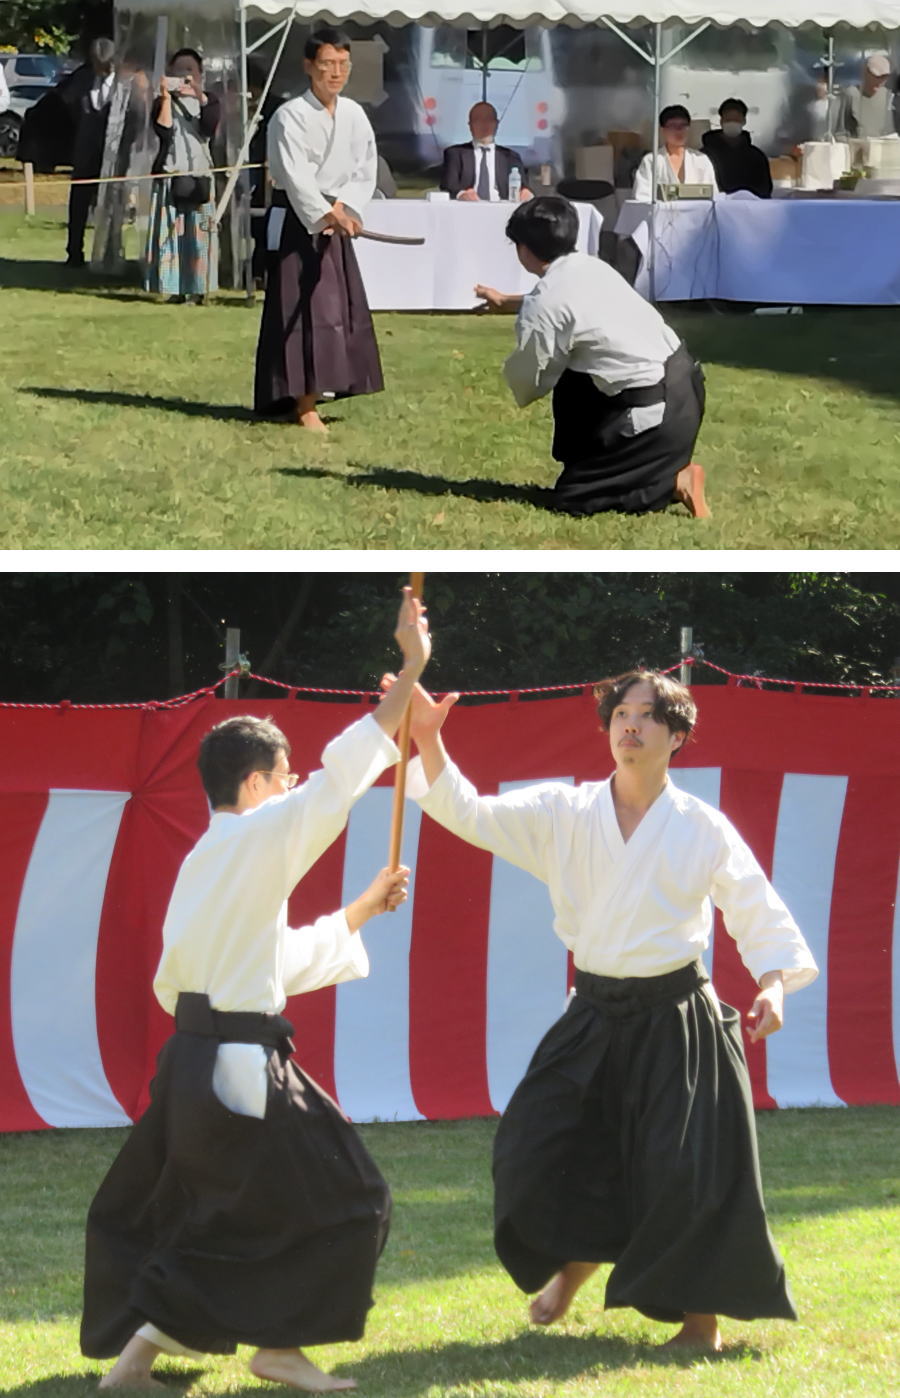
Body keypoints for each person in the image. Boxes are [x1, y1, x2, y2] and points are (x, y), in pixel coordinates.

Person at [402, 667, 818, 1352]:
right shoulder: (563, 812)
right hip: (595, 1012)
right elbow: (470, 813)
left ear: (676, 735)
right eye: (621, 713)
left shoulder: (701, 827)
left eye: (648, 715)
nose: (630, 725)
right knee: (538, 1148)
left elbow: (755, 906)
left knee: (683, 1169)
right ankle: (572, 1272)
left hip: (678, 1015)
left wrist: (773, 983)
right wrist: (428, 739)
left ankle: (701, 1326)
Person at [80, 588, 432, 1392]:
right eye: (284, 776)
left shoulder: (208, 861)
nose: (293, 784)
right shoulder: (256, 835)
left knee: (231, 1214)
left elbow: (270, 964)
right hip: (236, 1064)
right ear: (253, 782)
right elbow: (339, 779)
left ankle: (141, 1361)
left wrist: (360, 910)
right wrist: (411, 670)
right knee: (352, 1197)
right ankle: (275, 1348)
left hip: (196, 1064)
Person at [474, 196, 709, 518]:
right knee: (577, 370)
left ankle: (672, 482)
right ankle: (655, 469)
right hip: (686, 395)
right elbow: (565, 304)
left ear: (523, 249)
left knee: (576, 498)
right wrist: (506, 301)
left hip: (655, 418)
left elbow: (529, 383)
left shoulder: (546, 303)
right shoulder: (593, 267)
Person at [254, 28, 382, 433]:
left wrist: (347, 207)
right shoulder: (289, 115)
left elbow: (366, 167)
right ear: (309, 66)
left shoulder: (354, 114)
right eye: (327, 64)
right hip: (301, 220)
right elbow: (295, 177)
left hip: (336, 217)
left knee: (336, 310)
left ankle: (326, 387)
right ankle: (302, 401)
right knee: (302, 311)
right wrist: (325, 213)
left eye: (343, 64)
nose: (336, 72)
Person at [144, 48, 220, 303]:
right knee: (170, 237)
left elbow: (209, 127)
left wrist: (198, 93)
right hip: (170, 174)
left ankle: (199, 288)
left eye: (190, 70)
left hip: (200, 176)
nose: (185, 76)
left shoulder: (209, 102)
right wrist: (166, 96)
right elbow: (163, 130)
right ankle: (172, 287)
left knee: (199, 237)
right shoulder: (161, 102)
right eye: (179, 71)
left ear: (200, 74)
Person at [61, 37, 116, 268]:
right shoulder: (82, 80)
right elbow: (69, 106)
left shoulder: (124, 84)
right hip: (84, 152)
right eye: (97, 64)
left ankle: (111, 254)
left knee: (112, 206)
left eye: (105, 65)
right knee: (78, 204)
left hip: (112, 155)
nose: (101, 69)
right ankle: (74, 252)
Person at [440, 101, 533, 202]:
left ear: (496, 124)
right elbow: (448, 185)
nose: (484, 124)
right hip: (468, 206)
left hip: (502, 207)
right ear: (470, 125)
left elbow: (524, 187)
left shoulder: (510, 157)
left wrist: (525, 192)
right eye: (478, 120)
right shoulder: (455, 154)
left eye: (489, 119)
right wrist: (462, 195)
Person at [632, 105, 718, 201]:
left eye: (683, 126)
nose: (679, 130)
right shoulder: (652, 160)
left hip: (696, 210)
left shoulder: (701, 159)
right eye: (673, 126)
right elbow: (642, 196)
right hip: (662, 210)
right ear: (663, 130)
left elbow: (713, 195)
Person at [702, 99, 772, 198]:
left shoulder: (756, 156)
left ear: (744, 121)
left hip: (750, 205)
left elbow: (765, 190)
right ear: (721, 121)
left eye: (736, 120)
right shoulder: (704, 156)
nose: (732, 123)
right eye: (728, 120)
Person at [839, 53, 896, 139]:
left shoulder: (887, 96)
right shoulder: (851, 94)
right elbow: (840, 132)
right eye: (875, 76)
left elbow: (891, 132)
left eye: (884, 77)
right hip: (858, 145)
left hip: (882, 145)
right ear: (865, 72)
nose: (879, 81)